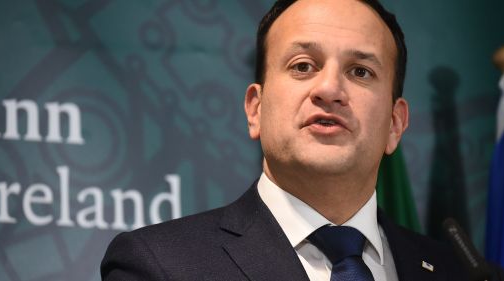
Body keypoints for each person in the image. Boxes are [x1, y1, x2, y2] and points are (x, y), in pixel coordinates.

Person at [101, 0, 468, 280]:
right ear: (255, 109)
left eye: (360, 71)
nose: (329, 89)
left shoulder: (463, 273)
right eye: (303, 66)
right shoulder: (159, 265)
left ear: (394, 124)